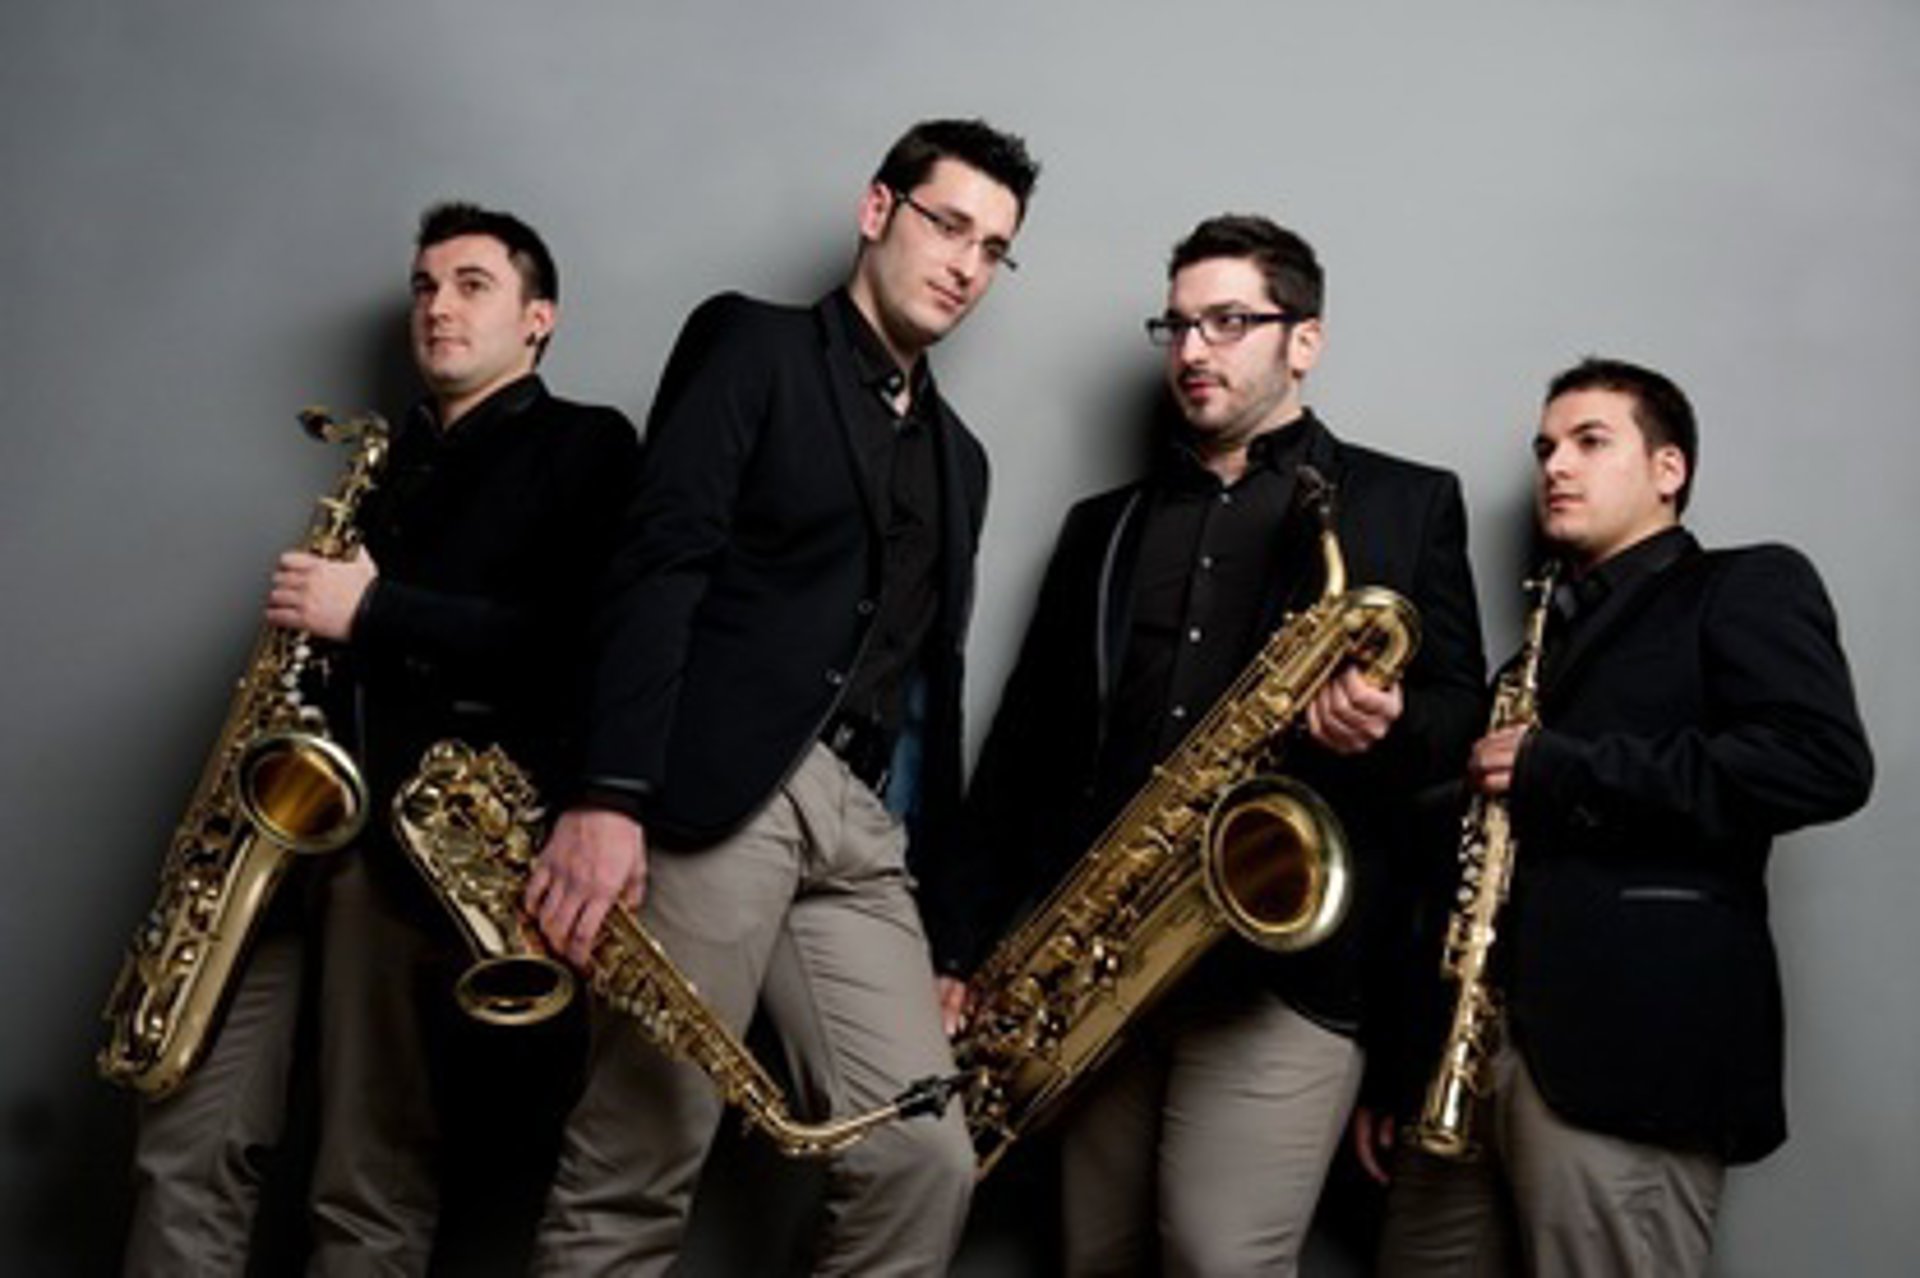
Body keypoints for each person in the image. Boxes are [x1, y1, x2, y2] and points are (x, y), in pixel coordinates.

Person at [522, 118, 1040, 1276]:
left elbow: (936, 687)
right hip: (720, 800)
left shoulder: (963, 459)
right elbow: (661, 563)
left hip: (865, 832)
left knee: (924, 1160)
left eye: (994, 250)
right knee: (637, 1165)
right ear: (877, 210)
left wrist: (947, 928)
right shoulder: (751, 344)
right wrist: (608, 793)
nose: (966, 265)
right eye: (948, 225)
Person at [947, 214, 1487, 1275]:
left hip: (1283, 968)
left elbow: (1461, 711)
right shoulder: (1103, 527)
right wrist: (957, 949)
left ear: (1304, 340)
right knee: (1094, 1256)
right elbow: (1023, 746)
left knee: (1217, 1257)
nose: (1194, 350)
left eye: (1229, 322)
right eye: (1179, 325)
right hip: (1102, 967)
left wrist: (1388, 721)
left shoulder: (1404, 501)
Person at [121, 202, 639, 1275]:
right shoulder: (387, 458)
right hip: (278, 836)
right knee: (186, 1143)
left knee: (367, 1178)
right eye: (424, 287)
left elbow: (576, 646)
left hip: (407, 850)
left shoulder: (585, 444)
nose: (438, 307)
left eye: (472, 285)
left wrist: (374, 609)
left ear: (538, 318)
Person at [1358, 358, 1875, 1276]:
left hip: (1629, 1056)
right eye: (1546, 448)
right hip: (1464, 1064)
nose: (1556, 466)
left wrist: (1560, 767)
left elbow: (1820, 762)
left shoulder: (1745, 583)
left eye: (1590, 442)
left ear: (1669, 469)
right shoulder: (1534, 651)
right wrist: (1407, 1061)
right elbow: (1468, 855)